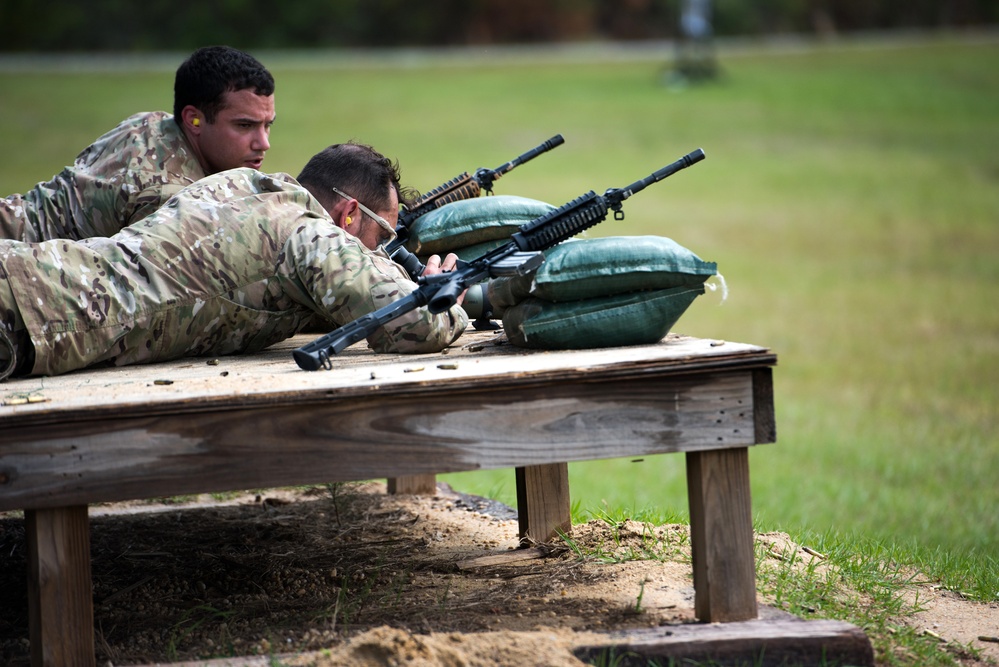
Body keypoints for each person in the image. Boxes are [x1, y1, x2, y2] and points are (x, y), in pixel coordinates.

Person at [0, 143, 467, 380]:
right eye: (381, 235)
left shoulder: (243, 185)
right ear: (347, 215)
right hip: (32, 316)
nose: (381, 250)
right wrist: (442, 295)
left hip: (29, 277)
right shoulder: (307, 233)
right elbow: (411, 326)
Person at [0, 45, 276, 243]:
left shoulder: (148, 123)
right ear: (194, 120)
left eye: (267, 125)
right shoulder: (170, 197)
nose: (263, 143)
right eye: (244, 125)